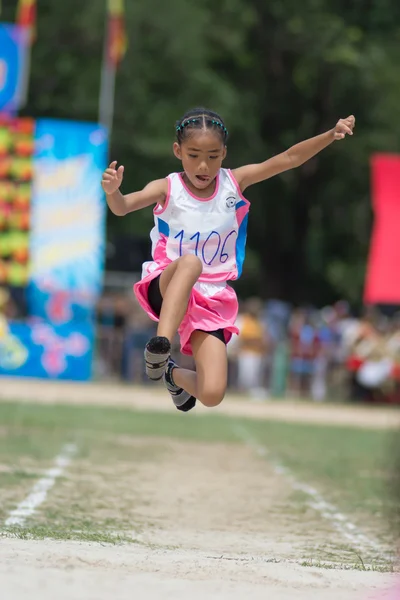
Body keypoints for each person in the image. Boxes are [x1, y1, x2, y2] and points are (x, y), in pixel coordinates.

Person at [102, 107, 355, 412]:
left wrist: (330, 134)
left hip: (211, 297)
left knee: (212, 393)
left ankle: (171, 374)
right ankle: (160, 348)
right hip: (168, 284)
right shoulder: (167, 187)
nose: (203, 165)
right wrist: (113, 193)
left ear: (224, 153)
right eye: (193, 155)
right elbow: (122, 207)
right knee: (191, 263)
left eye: (212, 155)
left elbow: (288, 159)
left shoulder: (235, 183)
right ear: (177, 151)